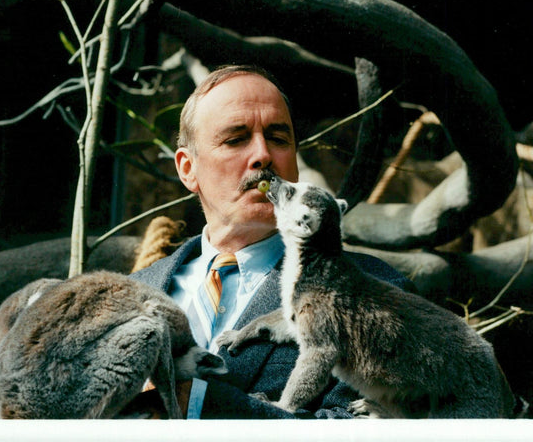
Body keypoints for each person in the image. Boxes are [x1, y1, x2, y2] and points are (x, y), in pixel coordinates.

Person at [126, 64, 413, 419]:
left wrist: (201, 404)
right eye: (236, 139)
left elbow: (365, 427)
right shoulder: (133, 293)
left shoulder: (380, 294)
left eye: (278, 139)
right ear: (188, 169)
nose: (263, 155)